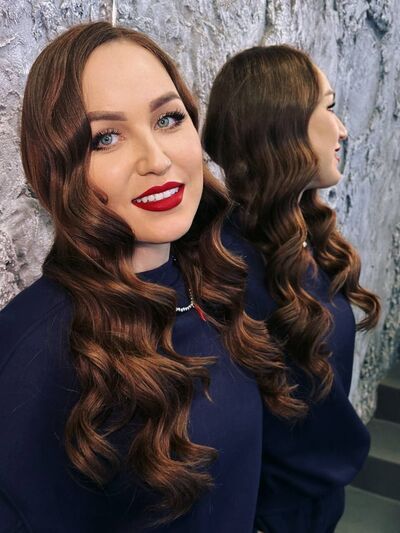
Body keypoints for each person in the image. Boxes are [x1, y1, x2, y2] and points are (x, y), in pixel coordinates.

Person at [0, 24, 305, 533]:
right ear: (55, 167)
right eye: (106, 138)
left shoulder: (214, 281)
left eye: (168, 118)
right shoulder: (34, 350)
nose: (157, 160)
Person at [203, 45, 380, 532]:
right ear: (282, 127)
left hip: (318, 503)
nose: (342, 129)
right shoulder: (232, 267)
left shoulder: (304, 237)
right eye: (328, 107)